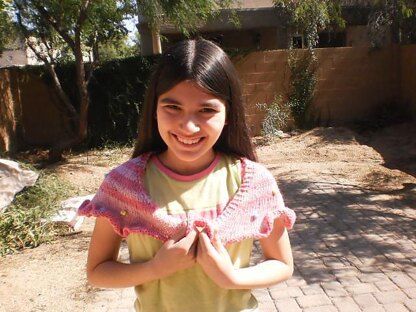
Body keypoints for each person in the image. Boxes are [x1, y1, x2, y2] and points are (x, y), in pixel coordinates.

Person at [79, 38, 296, 312]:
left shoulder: (255, 182)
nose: (189, 126)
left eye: (206, 110)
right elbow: (97, 271)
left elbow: (282, 264)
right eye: (172, 107)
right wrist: (156, 268)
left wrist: (232, 278)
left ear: (228, 114)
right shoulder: (122, 185)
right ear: (154, 110)